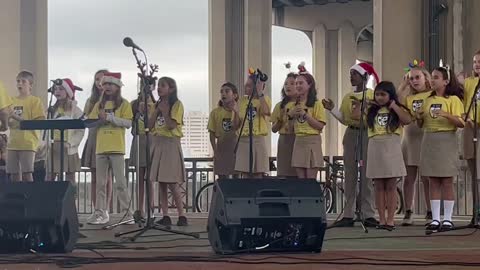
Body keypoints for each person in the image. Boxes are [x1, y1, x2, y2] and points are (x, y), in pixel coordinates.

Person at [322, 62, 378, 227]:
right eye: (350, 74)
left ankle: (368, 214)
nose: (351, 77)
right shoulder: (347, 97)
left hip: (366, 133)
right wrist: (332, 109)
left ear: (364, 77)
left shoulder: (372, 95)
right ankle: (348, 214)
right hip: (351, 133)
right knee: (350, 174)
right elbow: (345, 119)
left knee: (367, 175)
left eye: (354, 74)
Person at [356, 81, 410, 230]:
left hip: (391, 145)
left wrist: (394, 106)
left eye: (383, 94)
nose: (379, 97)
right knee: (378, 186)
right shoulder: (371, 110)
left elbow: (407, 120)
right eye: (377, 94)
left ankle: (391, 219)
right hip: (375, 146)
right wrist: (361, 104)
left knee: (391, 186)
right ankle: (381, 219)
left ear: (390, 95)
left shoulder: (396, 109)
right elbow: (355, 117)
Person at [417, 65, 464, 232]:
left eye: (436, 77)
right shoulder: (427, 100)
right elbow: (421, 122)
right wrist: (419, 118)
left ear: (445, 81)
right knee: (433, 180)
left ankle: (448, 219)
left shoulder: (453, 100)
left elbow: (461, 123)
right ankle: (435, 218)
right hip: (429, 138)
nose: (432, 80)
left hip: (446, 139)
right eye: (432, 77)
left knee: (446, 180)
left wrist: (446, 114)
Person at [87, 72, 134, 225]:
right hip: (101, 148)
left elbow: (128, 123)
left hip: (117, 149)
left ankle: (128, 214)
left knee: (120, 183)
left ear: (117, 86)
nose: (107, 87)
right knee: (100, 183)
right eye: (105, 84)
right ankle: (101, 213)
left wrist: (109, 118)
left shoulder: (124, 104)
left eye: (110, 84)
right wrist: (99, 120)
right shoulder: (98, 105)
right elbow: (92, 122)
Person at [148, 77, 188, 226]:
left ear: (171, 89)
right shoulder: (157, 105)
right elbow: (150, 126)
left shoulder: (177, 105)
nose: (159, 88)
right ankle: (165, 215)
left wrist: (165, 112)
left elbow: (171, 125)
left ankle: (182, 215)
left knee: (172, 182)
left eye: (162, 86)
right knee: (162, 183)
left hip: (171, 143)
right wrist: (156, 111)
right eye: (158, 85)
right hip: (158, 143)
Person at [397, 60, 433, 225]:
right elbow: (396, 103)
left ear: (425, 78)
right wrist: (403, 85)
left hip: (425, 138)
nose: (414, 81)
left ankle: (430, 211)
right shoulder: (408, 97)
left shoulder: (432, 94)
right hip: (409, 139)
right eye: (411, 78)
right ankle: (408, 211)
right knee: (409, 177)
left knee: (427, 178)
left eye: (417, 77)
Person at [82, 70, 113, 214]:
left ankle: (105, 208)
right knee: (95, 177)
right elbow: (86, 118)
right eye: (96, 80)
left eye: (102, 79)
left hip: (107, 139)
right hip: (94, 138)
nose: (99, 83)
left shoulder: (115, 100)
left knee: (106, 178)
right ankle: (97, 209)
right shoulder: (91, 100)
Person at [7, 70, 45, 182]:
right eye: (18, 81)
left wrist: (15, 116)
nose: (20, 84)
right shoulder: (11, 100)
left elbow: (39, 121)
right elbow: (9, 120)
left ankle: (29, 198)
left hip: (28, 142)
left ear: (30, 85)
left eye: (23, 81)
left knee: (27, 173)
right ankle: (15, 198)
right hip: (13, 142)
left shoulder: (35, 101)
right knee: (13, 174)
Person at [290, 64, 326, 179]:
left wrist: (305, 115)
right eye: (296, 83)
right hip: (298, 140)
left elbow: (320, 126)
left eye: (301, 83)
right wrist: (291, 116)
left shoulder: (316, 104)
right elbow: (291, 128)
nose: (298, 86)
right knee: (300, 181)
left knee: (310, 180)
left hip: (312, 141)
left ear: (309, 85)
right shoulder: (294, 104)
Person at [235, 71, 271, 178]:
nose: (246, 87)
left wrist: (260, 93)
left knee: (258, 172)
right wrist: (235, 112)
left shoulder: (264, 99)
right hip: (244, 138)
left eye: (249, 86)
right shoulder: (241, 101)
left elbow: (266, 112)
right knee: (245, 173)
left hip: (257, 138)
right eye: (246, 85)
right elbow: (237, 124)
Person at [47, 79, 84, 183]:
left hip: (68, 147)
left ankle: (71, 198)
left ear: (68, 92)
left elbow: (81, 129)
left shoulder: (75, 110)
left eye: (61, 89)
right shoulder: (52, 109)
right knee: (50, 177)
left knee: (70, 177)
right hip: (54, 146)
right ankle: (50, 198)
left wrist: (71, 143)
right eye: (55, 89)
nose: (57, 91)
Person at [130, 81, 156, 217]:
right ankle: (139, 209)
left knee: (150, 178)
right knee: (140, 177)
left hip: (150, 140)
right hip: (138, 140)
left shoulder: (155, 105)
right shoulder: (134, 104)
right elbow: (131, 127)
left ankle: (151, 208)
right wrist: (138, 112)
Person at [462, 49, 480, 224]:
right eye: (475, 61)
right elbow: (462, 103)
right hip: (470, 127)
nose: (477, 65)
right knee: (474, 172)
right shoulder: (469, 82)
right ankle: (476, 213)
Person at [208, 82, 240, 179]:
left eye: (227, 91)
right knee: (222, 179)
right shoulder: (215, 112)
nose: (223, 94)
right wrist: (215, 151)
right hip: (221, 147)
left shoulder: (239, 110)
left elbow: (236, 126)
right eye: (221, 92)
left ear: (234, 95)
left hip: (236, 147)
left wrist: (235, 111)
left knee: (236, 178)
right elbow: (212, 134)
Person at [271, 73, 297, 178]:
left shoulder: (304, 104)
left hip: (298, 139)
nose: (288, 86)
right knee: (284, 172)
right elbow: (273, 129)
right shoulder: (279, 105)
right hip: (284, 140)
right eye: (286, 84)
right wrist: (281, 119)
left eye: (292, 83)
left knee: (298, 173)